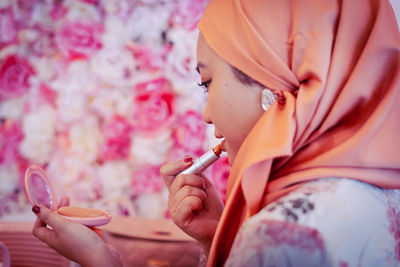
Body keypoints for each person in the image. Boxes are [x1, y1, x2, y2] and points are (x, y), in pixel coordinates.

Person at [32, 0, 400, 266]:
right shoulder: (380, 193)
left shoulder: (278, 236)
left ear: (273, 84)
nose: (207, 115)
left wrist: (102, 262)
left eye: (206, 82)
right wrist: (217, 235)